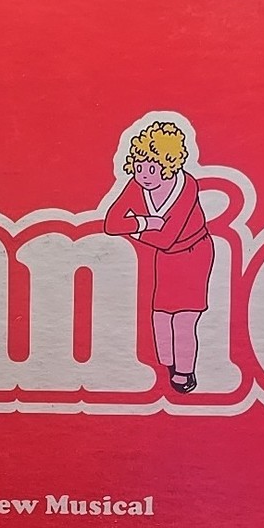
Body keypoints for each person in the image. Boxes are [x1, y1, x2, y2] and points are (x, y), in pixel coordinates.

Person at [103, 121, 214, 393]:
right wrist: (145, 222)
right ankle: (169, 366)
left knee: (184, 318)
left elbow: (166, 238)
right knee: (161, 318)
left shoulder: (187, 186)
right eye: (139, 167)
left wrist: (136, 231)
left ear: (169, 164)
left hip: (194, 253)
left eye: (152, 168)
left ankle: (185, 373)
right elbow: (111, 223)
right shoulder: (136, 185)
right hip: (165, 258)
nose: (144, 175)